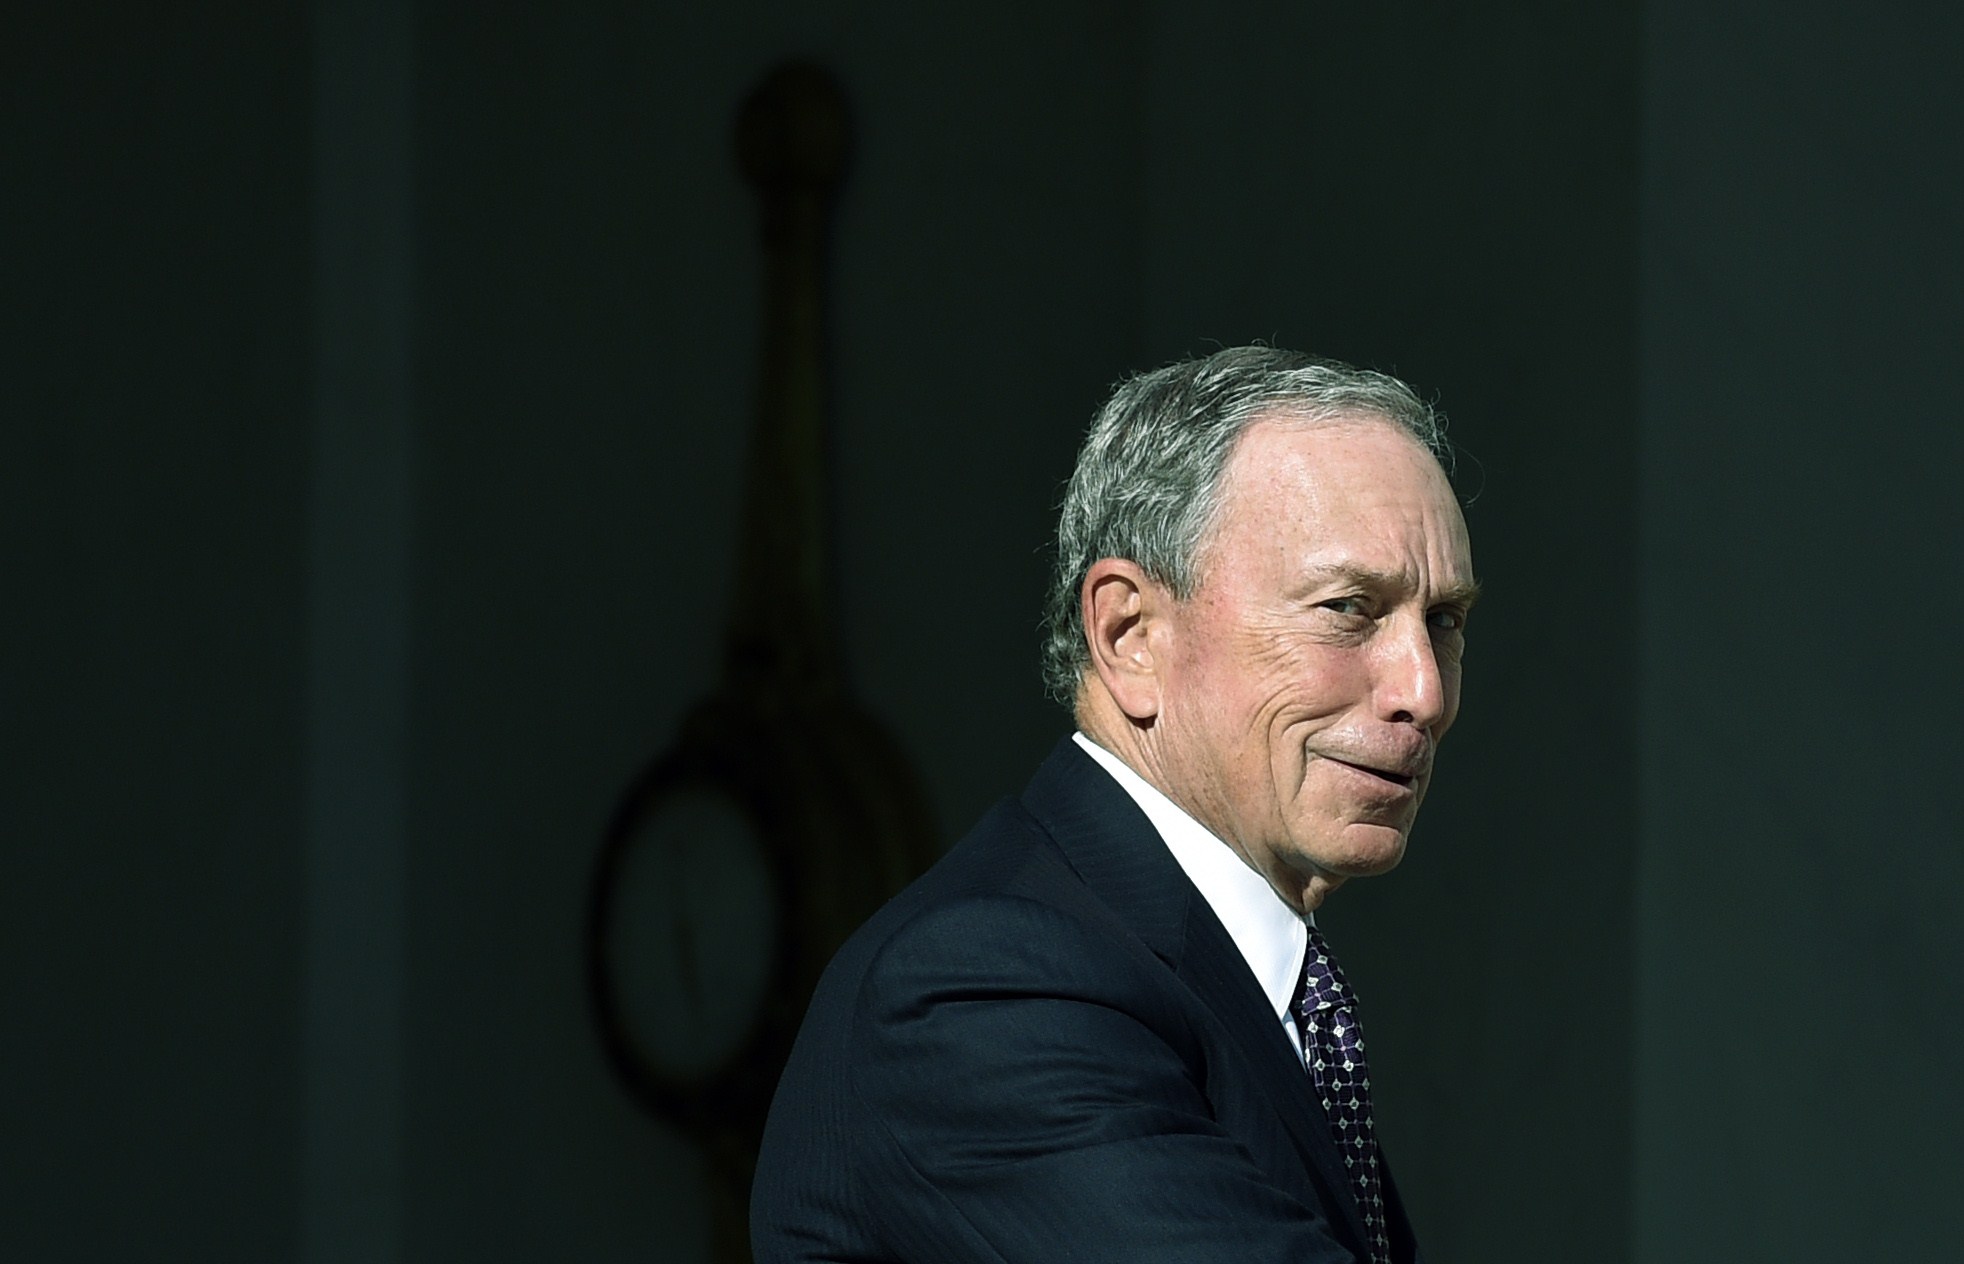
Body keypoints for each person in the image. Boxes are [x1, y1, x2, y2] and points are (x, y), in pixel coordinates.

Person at [751, 346, 1477, 1263]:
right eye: (1346, 608)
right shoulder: (984, 985)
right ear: (1130, 634)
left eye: (1444, 621)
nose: (1425, 690)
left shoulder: (1219, 973)